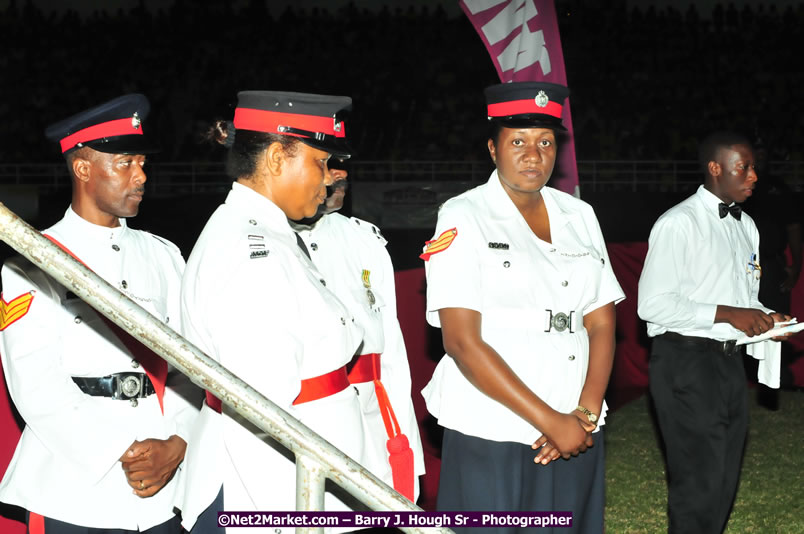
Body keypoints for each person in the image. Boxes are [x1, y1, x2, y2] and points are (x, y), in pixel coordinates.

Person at [420, 82, 624, 533]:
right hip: (493, 421)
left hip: (575, 415)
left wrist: (583, 414)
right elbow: (460, 341)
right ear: (492, 149)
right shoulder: (463, 214)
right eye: (518, 142)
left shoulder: (579, 215)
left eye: (545, 142)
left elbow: (602, 321)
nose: (534, 155)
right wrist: (551, 421)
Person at [0, 94, 200, 533]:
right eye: (126, 162)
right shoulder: (33, 261)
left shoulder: (164, 256)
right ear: (83, 167)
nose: (141, 175)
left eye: (142, 162)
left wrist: (180, 442)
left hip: (166, 491)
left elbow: (192, 369)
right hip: (76, 489)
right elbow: (34, 384)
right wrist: (122, 451)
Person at [179, 91, 372, 533]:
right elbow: (262, 414)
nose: (329, 179)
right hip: (270, 493)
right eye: (319, 162)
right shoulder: (252, 253)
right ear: (275, 157)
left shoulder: (268, 232)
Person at [638, 131, 791, 533]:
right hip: (684, 361)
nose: (754, 175)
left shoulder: (747, 226)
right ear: (715, 168)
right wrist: (729, 314)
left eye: (754, 166)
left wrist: (765, 320)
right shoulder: (678, 223)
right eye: (745, 167)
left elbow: (745, 299)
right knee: (697, 481)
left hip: (727, 363)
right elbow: (652, 306)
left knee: (723, 474)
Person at [292, 161, 426, 502]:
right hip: (299, 430)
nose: (340, 175)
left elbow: (392, 356)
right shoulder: (266, 241)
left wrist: (405, 450)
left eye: (343, 165)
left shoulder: (364, 240)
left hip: (371, 431)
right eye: (326, 163)